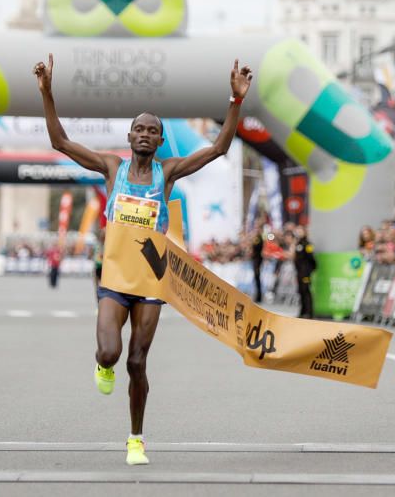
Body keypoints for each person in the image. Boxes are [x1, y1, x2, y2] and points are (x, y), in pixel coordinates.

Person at [33, 53, 252, 466]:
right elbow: (60, 142)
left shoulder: (166, 173)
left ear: (160, 139)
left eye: (153, 131)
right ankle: (103, 366)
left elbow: (219, 148)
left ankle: (136, 438)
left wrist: (234, 101)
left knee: (138, 361)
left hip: (151, 283)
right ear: (130, 136)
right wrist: (47, 93)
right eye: (139, 129)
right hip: (115, 279)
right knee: (110, 354)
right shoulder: (111, 168)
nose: (146, 135)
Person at [293, 225, 316, 319]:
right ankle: (302, 311)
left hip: (305, 272)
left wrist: (309, 270)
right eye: (297, 231)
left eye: (300, 231)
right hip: (299, 272)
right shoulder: (298, 243)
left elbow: (311, 258)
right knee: (301, 291)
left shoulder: (307, 244)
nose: (299, 233)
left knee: (306, 291)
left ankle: (309, 312)